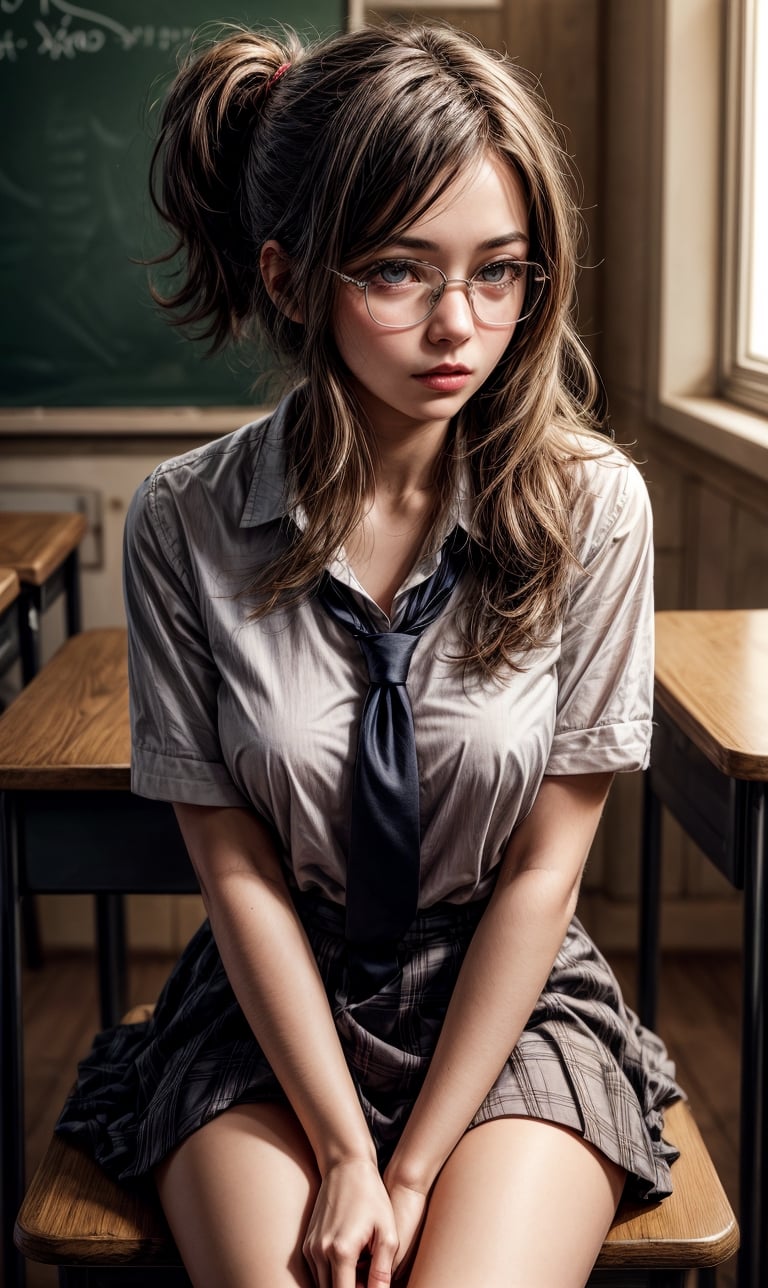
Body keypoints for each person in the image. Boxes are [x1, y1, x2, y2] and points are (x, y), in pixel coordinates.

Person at [56, 21, 683, 1288]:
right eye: (398, 271)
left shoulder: (593, 506)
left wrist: (406, 1173)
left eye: (500, 271)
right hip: (269, 1003)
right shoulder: (185, 520)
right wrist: (344, 1145)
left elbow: (545, 870)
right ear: (291, 279)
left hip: (506, 1002)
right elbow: (234, 873)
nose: (460, 324)